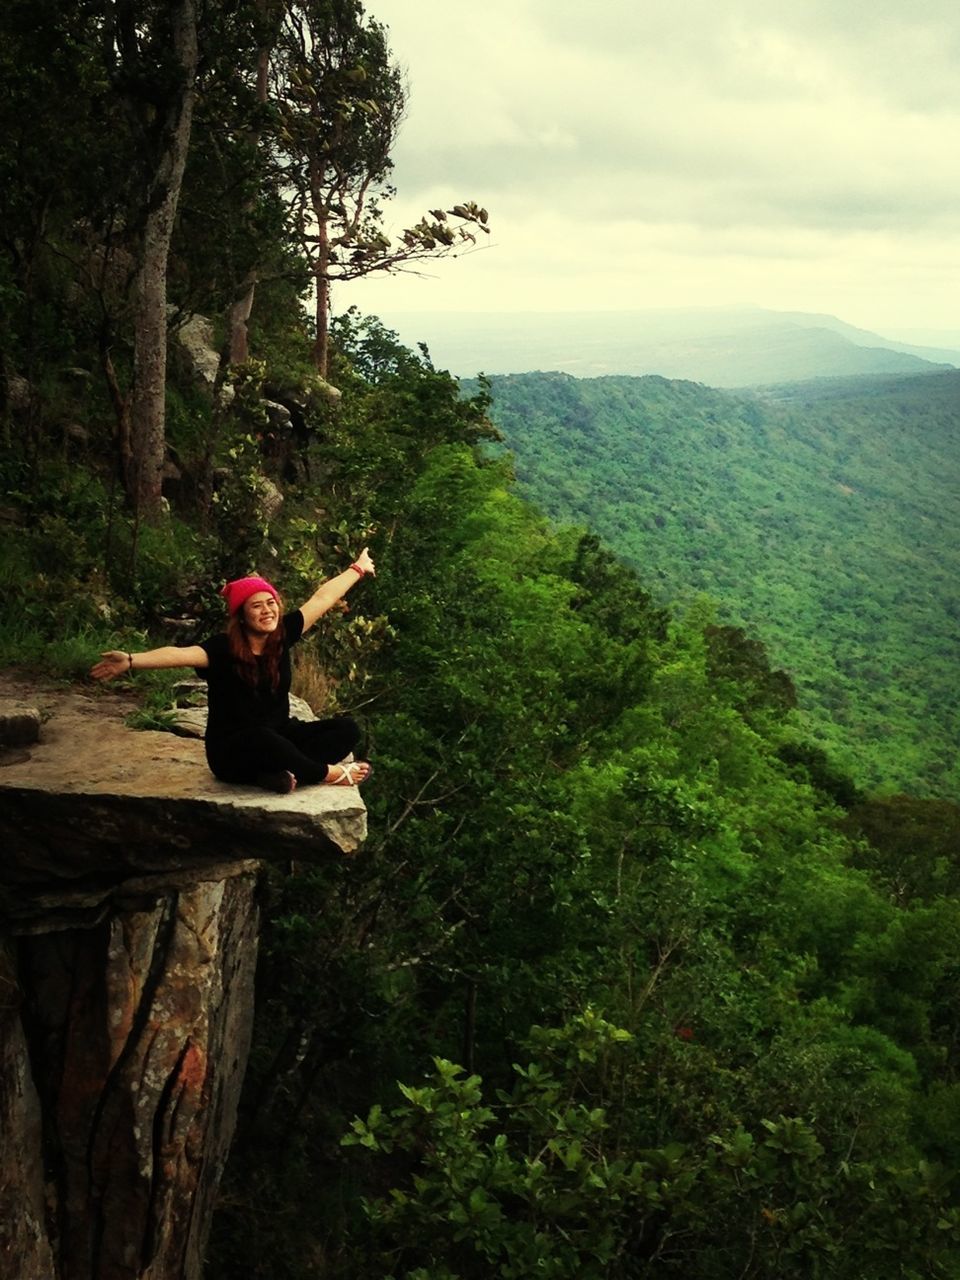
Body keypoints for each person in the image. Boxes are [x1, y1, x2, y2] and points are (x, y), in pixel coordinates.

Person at [90, 549, 376, 795]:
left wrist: (358, 569)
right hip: (233, 752)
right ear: (241, 615)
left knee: (346, 730)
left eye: (271, 603)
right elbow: (177, 654)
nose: (267, 611)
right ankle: (327, 774)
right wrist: (130, 660)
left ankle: (279, 775)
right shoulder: (222, 649)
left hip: (277, 737)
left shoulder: (282, 634)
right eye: (256, 606)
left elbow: (322, 599)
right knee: (264, 738)